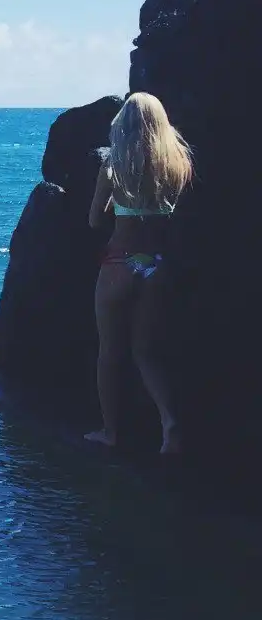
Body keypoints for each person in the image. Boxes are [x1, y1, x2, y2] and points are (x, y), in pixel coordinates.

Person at [85, 92, 193, 454]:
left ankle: (110, 432)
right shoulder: (177, 164)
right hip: (156, 264)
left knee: (109, 352)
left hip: (120, 262)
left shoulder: (113, 166)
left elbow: (94, 220)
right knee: (146, 352)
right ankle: (169, 422)